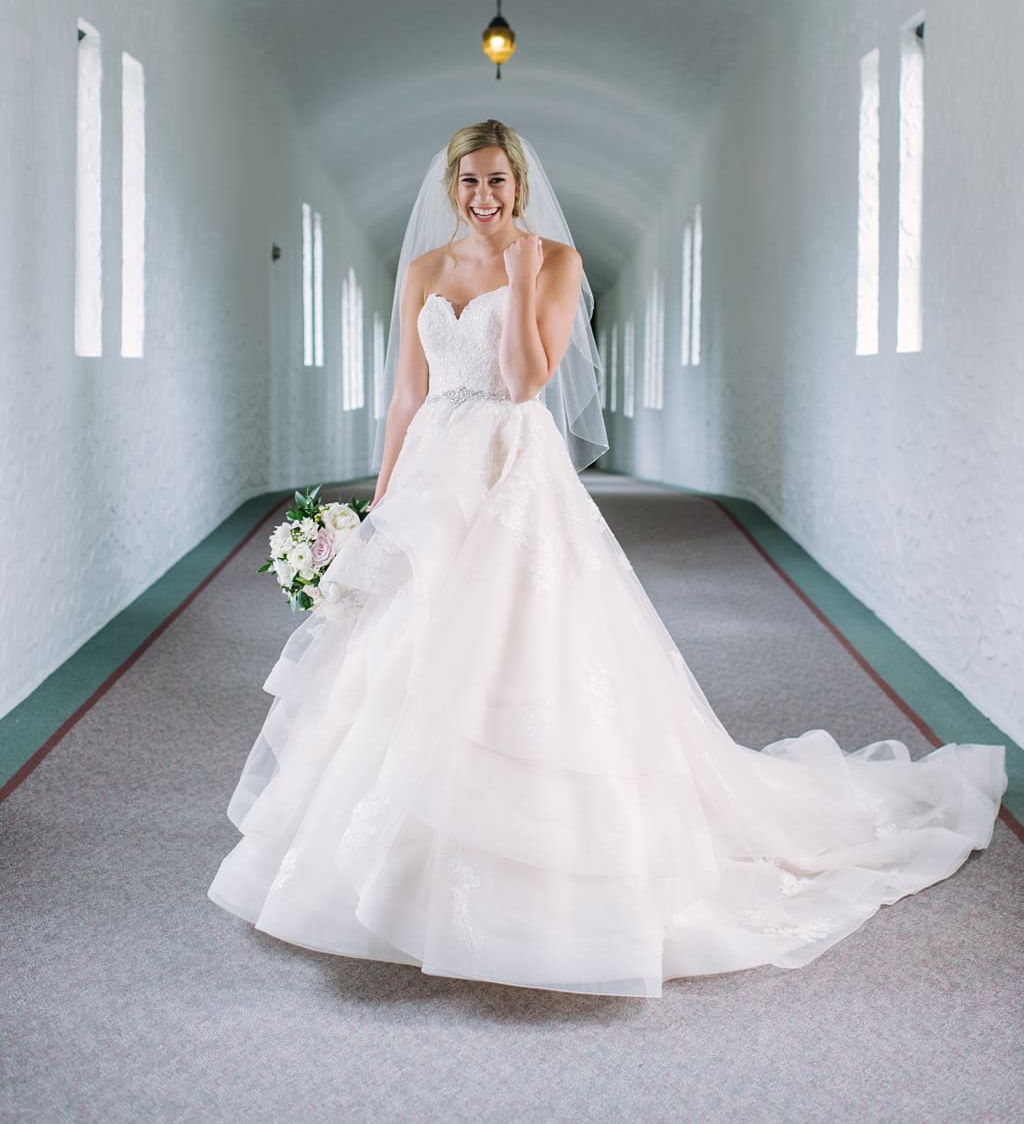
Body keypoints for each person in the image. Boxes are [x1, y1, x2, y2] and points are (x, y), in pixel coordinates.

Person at [207, 118, 1007, 999]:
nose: (483, 199)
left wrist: (516, 275)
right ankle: (397, 859)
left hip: (512, 475)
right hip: (435, 473)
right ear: (450, 188)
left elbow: (521, 384)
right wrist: (380, 506)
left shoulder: (555, 264)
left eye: (498, 183)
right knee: (405, 656)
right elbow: (407, 393)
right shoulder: (427, 271)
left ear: (519, 184)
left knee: (517, 652)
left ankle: (536, 861)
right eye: (468, 183)